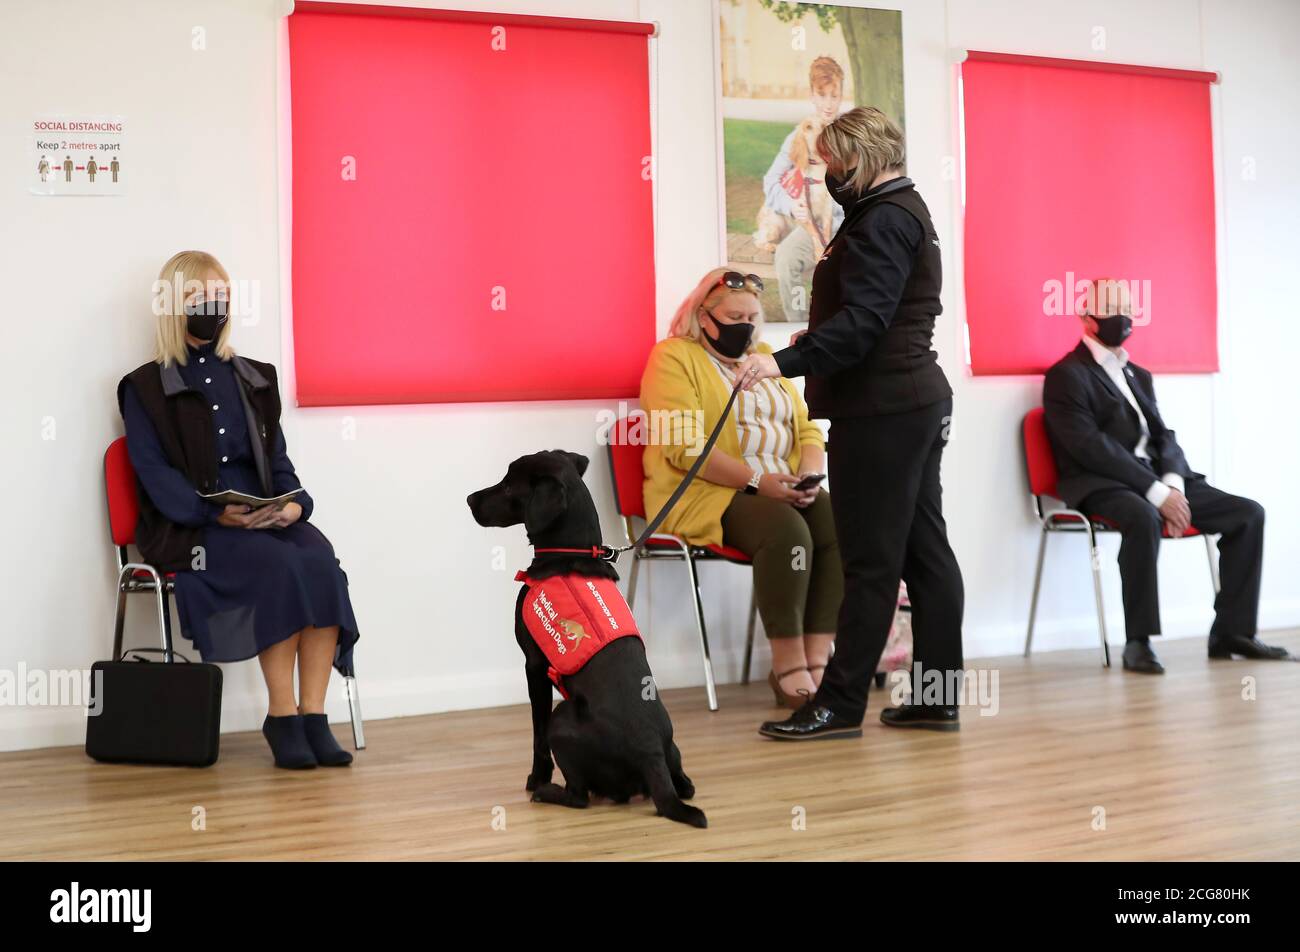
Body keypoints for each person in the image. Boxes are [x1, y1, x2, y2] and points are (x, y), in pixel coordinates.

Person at [736, 106, 965, 740]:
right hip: (909, 400)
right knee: (924, 553)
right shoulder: (896, 211)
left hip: (885, 408)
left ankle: (838, 706)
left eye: (833, 164)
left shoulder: (885, 219)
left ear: (862, 158)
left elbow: (864, 324)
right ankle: (937, 697)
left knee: (871, 561)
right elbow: (873, 314)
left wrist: (779, 361)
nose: (826, 175)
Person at [118, 250, 361, 768]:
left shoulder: (255, 377)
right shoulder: (144, 388)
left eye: (221, 295)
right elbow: (154, 474)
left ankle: (314, 716)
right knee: (280, 565)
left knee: (319, 559)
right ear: (173, 306)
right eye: (200, 296)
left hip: (265, 514)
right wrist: (213, 514)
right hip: (194, 525)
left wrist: (295, 506)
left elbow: (277, 459)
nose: (215, 305)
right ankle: (282, 717)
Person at [1042, 278, 1289, 673]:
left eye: (1128, 310)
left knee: (1248, 513)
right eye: (1113, 311)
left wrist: (1173, 484)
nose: (1124, 319)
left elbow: (1164, 437)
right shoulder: (1066, 376)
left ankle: (1232, 631)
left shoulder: (1139, 374)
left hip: (1159, 479)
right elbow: (1090, 447)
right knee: (1142, 517)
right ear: (1086, 319)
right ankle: (1138, 643)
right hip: (1103, 482)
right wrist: (1157, 495)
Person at [640, 268, 841, 705]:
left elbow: (808, 430)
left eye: (753, 316)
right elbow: (684, 448)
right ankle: (788, 665)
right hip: (707, 493)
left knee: (837, 522)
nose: (746, 326)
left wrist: (808, 477)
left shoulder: (767, 358)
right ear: (703, 315)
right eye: (734, 316)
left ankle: (819, 660)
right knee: (787, 531)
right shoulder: (673, 358)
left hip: (780, 487)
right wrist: (756, 481)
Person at [761, 56, 846, 322]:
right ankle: (798, 333)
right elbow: (771, 181)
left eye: (835, 95)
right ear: (812, 95)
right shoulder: (797, 136)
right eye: (822, 95)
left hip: (848, 227)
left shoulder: (851, 137)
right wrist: (791, 205)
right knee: (786, 258)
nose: (829, 103)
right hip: (810, 227)